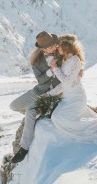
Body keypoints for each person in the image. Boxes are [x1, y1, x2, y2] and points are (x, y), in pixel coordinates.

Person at [43, 34, 97, 145]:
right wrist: (49, 94)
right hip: (67, 98)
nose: (57, 48)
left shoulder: (75, 61)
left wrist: (55, 68)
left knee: (60, 118)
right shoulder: (66, 61)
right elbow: (63, 85)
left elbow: (67, 81)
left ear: (65, 47)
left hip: (76, 97)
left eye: (59, 46)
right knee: (56, 117)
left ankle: (95, 131)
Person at [10, 31, 61, 163]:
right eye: (49, 46)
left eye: (53, 44)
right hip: (40, 90)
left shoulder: (61, 53)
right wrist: (51, 70)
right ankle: (38, 113)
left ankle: (24, 147)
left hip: (56, 92)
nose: (53, 47)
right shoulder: (36, 61)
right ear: (43, 49)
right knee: (14, 106)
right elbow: (40, 80)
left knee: (30, 110)